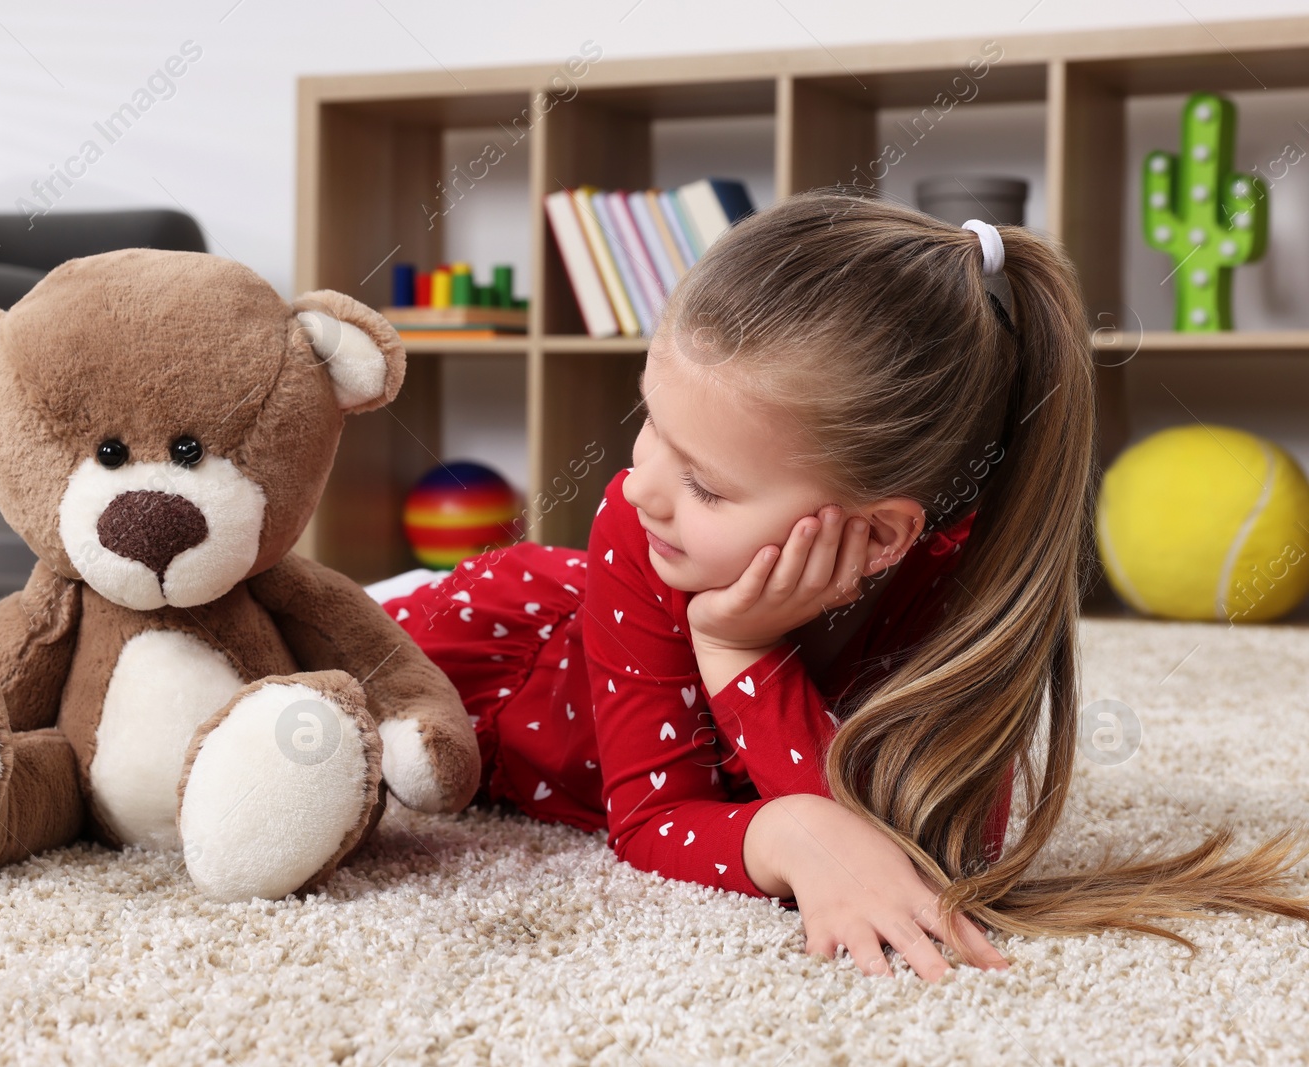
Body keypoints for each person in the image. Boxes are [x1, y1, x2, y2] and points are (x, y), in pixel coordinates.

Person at [375, 189, 1309, 982]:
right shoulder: (639, 526)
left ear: (879, 537)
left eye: (705, 483)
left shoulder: (964, 592)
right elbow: (651, 816)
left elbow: (929, 846)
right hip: (477, 654)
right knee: (272, 650)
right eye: (648, 422)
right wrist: (787, 827)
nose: (640, 484)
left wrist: (742, 657)